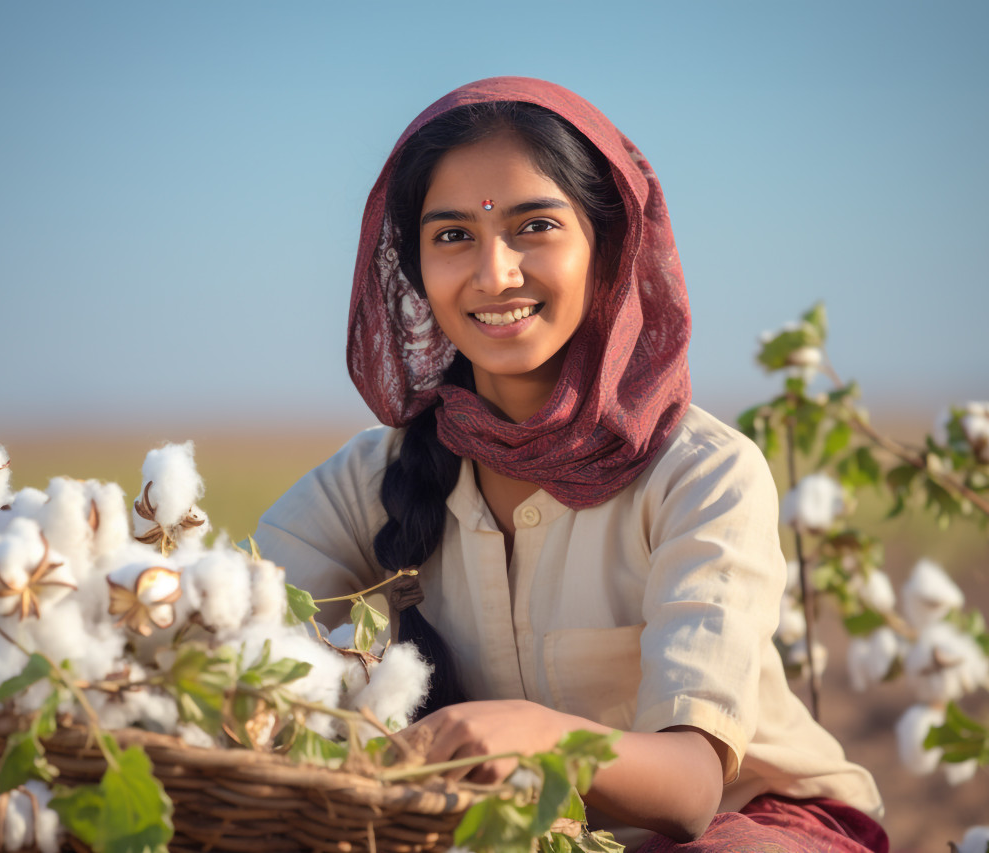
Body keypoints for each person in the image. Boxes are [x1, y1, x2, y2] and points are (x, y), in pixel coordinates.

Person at [252, 77, 887, 851]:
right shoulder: (371, 476)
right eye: (452, 235)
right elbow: (236, 629)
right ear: (415, 269)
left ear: (609, 249)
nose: (494, 274)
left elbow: (690, 790)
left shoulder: (703, 474)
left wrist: (533, 734)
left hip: (754, 822)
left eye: (534, 226)